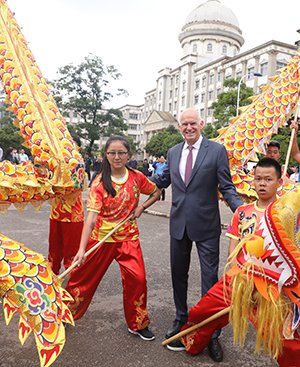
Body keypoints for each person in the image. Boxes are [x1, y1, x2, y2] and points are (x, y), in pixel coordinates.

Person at [166, 158, 300, 366]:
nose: (262, 183)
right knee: (202, 312)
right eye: (258, 178)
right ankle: (193, 343)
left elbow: (298, 252)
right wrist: (239, 275)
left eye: (268, 179)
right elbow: (233, 248)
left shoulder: (287, 214)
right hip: (239, 277)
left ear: (280, 182)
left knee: (284, 336)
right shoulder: (243, 212)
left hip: (272, 287)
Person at [151, 107, 243, 362]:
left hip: (207, 226)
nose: (189, 127)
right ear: (179, 127)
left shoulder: (216, 151)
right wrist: (126, 181)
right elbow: (162, 180)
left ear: (201, 124)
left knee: (210, 279)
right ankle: (181, 318)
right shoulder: (173, 152)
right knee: (178, 275)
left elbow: (227, 186)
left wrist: (244, 213)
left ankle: (211, 332)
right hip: (178, 224)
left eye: (193, 123)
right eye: (184, 124)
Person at [65, 136, 161, 341]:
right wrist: (81, 249)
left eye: (121, 153)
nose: (117, 157)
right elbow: (90, 219)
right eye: (112, 153)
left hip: (128, 237)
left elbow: (156, 192)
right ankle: (64, 313)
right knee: (80, 278)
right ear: (106, 156)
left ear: (129, 155)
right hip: (101, 239)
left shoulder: (136, 177)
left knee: (138, 279)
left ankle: (137, 323)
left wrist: (142, 208)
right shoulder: (99, 183)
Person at [48, 137, 85, 276]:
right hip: (56, 213)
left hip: (72, 215)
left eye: (71, 145)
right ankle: (52, 274)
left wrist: (53, 187)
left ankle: (74, 279)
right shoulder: (56, 163)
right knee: (54, 249)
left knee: (72, 251)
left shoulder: (78, 163)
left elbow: (75, 187)